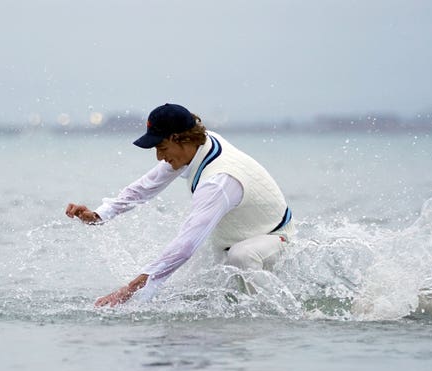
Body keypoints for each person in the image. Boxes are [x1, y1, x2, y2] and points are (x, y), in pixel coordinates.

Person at [65, 103, 294, 307]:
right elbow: (145, 187)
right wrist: (99, 215)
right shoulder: (196, 146)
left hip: (274, 239)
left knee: (240, 256)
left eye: (161, 148)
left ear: (179, 139)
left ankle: (280, 314)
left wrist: (128, 290)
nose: (159, 157)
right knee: (188, 290)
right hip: (229, 240)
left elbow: (185, 246)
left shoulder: (218, 181)